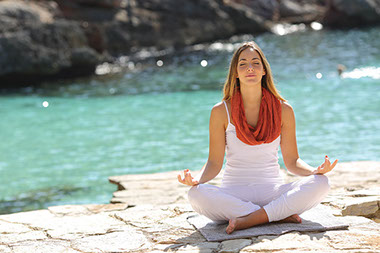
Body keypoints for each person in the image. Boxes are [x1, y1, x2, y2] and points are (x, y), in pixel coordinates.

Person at [177, 41, 338, 234]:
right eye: (242, 64)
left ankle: (252, 218)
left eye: (255, 63)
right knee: (196, 194)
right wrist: (196, 179)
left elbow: (292, 161)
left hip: (272, 192)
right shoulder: (221, 111)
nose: (250, 68)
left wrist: (315, 170)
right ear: (235, 73)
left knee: (321, 183)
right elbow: (213, 162)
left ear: (264, 71)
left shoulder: (284, 110)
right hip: (234, 194)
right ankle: (276, 215)